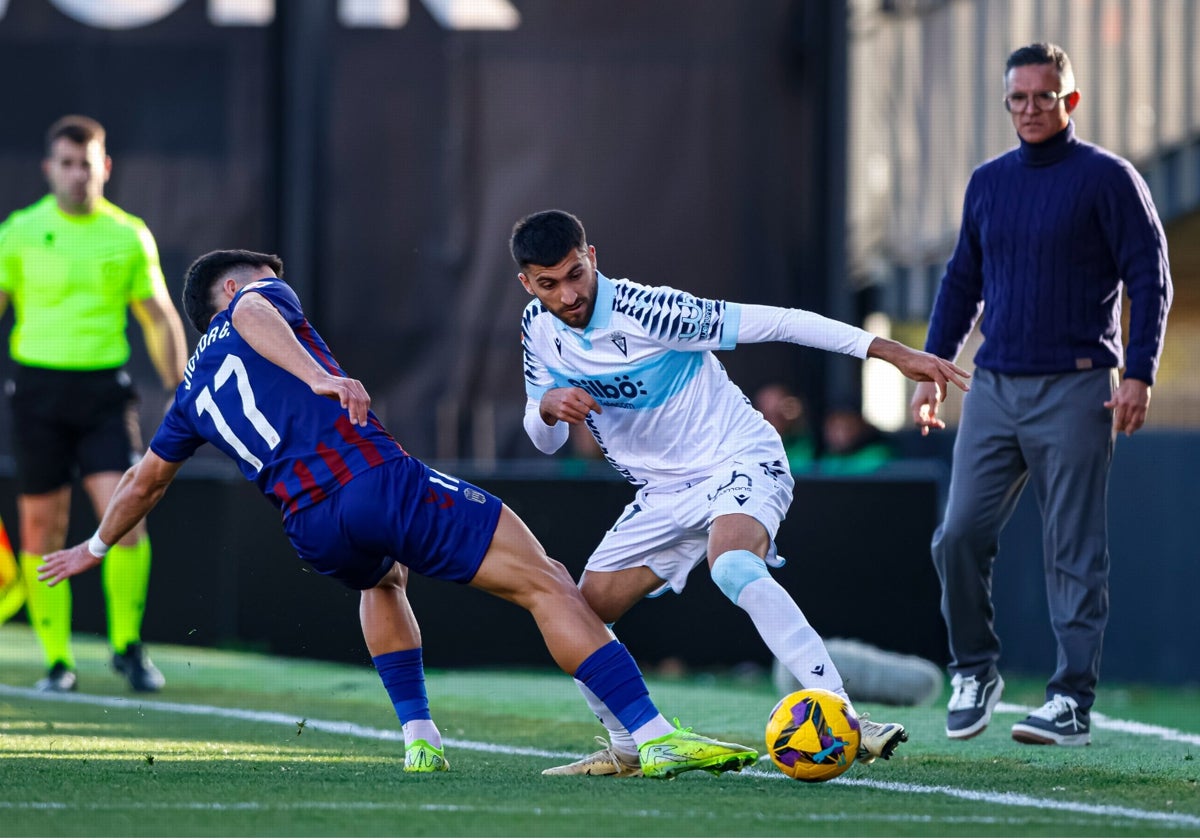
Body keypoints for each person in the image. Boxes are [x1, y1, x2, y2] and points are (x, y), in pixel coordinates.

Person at [38, 249, 760, 779]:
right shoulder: (255, 303)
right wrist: (320, 374)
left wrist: (95, 549)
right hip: (373, 481)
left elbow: (142, 483)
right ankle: (653, 735)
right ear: (228, 288)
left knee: (382, 582)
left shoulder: (192, 393)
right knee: (547, 580)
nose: (278, 286)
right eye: (264, 275)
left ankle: (419, 737)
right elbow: (254, 311)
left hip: (312, 530)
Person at [510, 209, 971, 777]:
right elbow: (546, 441)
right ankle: (626, 744)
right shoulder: (537, 327)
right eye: (550, 284)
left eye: (576, 274)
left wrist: (892, 352)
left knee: (730, 564)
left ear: (593, 258)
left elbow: (780, 321)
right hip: (661, 494)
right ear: (528, 284)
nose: (569, 293)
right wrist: (546, 409)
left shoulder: (650, 310)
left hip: (738, 458)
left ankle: (848, 717)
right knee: (578, 610)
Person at [910, 43, 1173, 747]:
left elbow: (1150, 279)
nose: (1030, 109)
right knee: (958, 535)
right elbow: (961, 283)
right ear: (1007, 103)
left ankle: (1070, 699)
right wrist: (934, 372)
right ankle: (975, 670)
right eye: (1018, 98)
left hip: (1080, 384)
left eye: (1044, 97)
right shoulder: (988, 183)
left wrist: (1140, 372)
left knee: (1073, 550)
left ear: (1071, 102)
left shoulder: (1108, 179)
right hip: (995, 384)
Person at [0, 115, 188, 693]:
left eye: (88, 163)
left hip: (105, 394)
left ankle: (128, 648)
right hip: (37, 393)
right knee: (40, 527)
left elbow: (158, 317)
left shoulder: (128, 234)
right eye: (67, 163)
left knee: (126, 515)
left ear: (104, 167)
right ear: (49, 170)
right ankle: (58, 662)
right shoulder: (20, 231)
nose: (78, 174)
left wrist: (185, 389)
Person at [751, 383, 816, 473]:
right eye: (768, 414)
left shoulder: (801, 443)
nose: (773, 421)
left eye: (777, 415)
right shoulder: (750, 444)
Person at [818, 405, 895, 475]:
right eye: (832, 429)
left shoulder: (878, 455)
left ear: (861, 427)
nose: (837, 434)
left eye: (845, 428)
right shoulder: (829, 458)